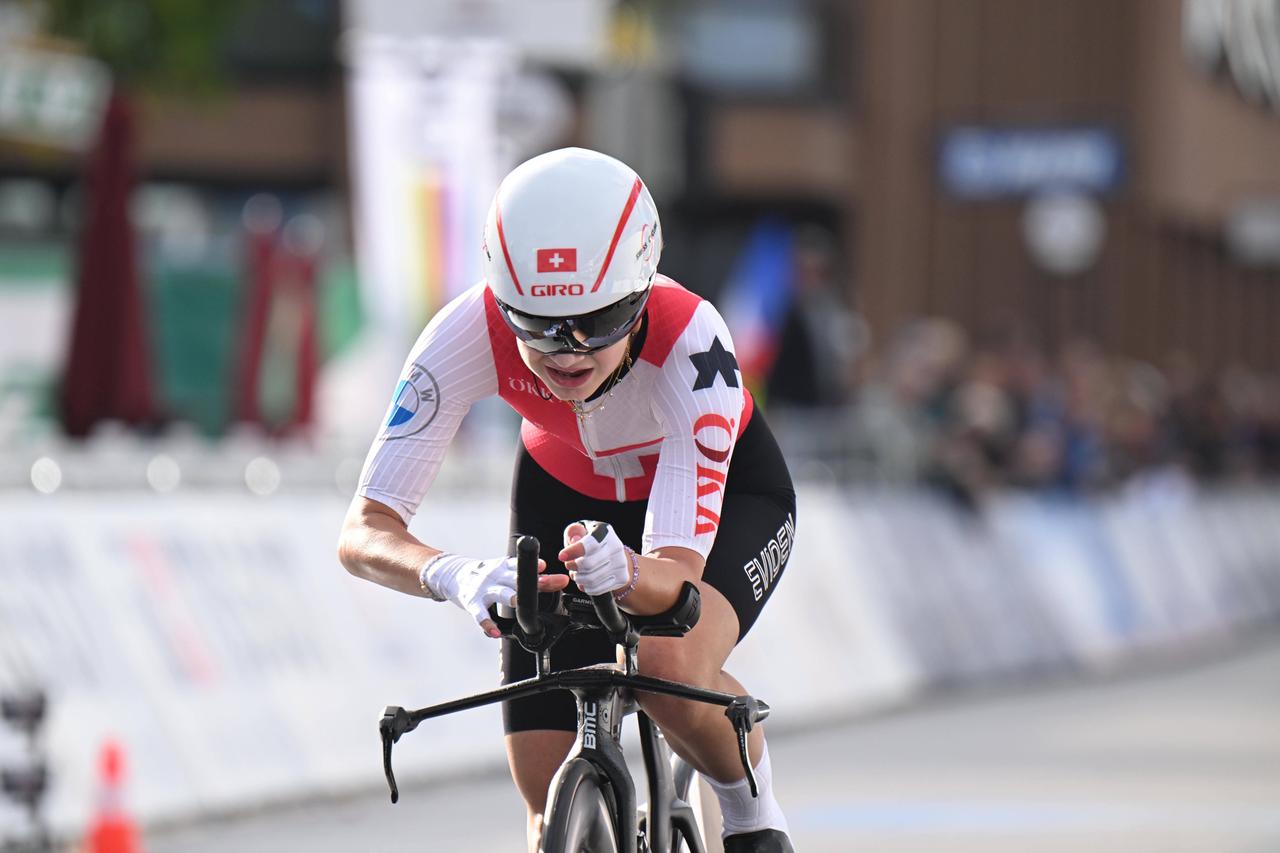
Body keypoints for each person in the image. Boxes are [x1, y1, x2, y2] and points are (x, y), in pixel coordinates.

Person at [338, 148, 797, 853]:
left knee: (668, 672)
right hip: (564, 494)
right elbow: (365, 530)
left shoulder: (692, 342)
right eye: (537, 324)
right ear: (501, 299)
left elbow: (676, 578)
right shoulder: (467, 330)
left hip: (728, 499)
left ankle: (754, 817)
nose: (569, 352)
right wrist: (455, 574)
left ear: (641, 296)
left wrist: (635, 574)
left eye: (600, 320)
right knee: (540, 788)